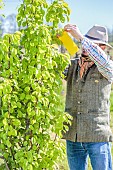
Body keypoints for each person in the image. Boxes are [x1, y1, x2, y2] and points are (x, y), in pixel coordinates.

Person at [62, 24, 113, 170]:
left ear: (102, 48)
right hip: (73, 135)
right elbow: (52, 67)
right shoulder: (72, 65)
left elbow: (100, 59)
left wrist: (80, 37)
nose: (85, 47)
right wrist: (64, 40)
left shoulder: (108, 67)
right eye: (86, 42)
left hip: (96, 136)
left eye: (91, 44)